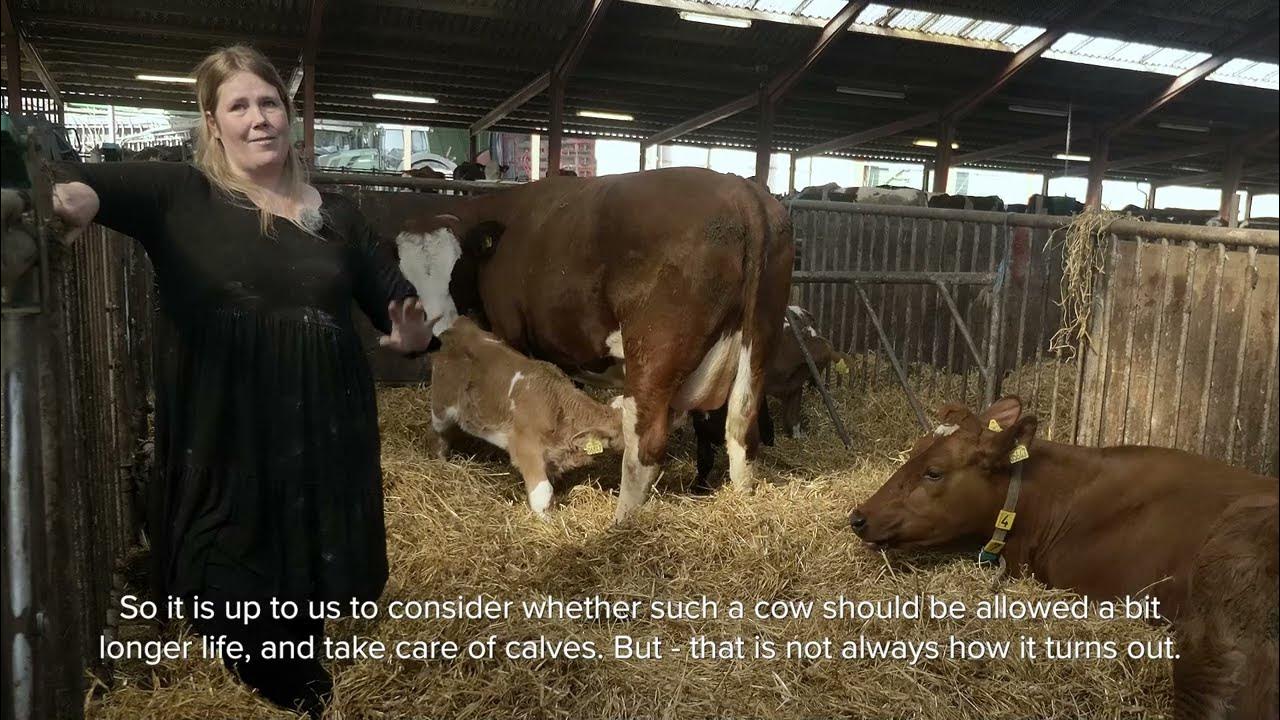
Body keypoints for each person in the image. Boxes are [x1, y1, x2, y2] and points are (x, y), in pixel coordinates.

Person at [52, 45, 432, 718]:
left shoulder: (337, 215)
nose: (258, 118)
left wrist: (412, 337)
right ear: (212, 120)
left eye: (269, 103)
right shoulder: (179, 194)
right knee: (227, 601)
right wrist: (69, 202)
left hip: (320, 453)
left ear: (288, 116)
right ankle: (307, 696)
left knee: (299, 609)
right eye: (239, 105)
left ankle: (311, 698)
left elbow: (398, 303)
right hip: (222, 452)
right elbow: (83, 184)